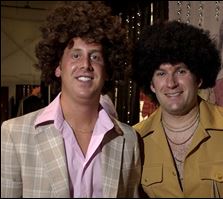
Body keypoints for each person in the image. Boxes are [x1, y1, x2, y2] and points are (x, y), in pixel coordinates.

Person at [1, 2, 141, 198]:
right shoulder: (13, 134)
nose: (85, 64)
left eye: (95, 57)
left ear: (107, 70)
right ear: (57, 67)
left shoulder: (128, 139)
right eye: (76, 55)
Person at [131, 20, 223, 197]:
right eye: (161, 73)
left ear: (198, 78)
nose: (171, 83)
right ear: (151, 84)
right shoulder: (135, 139)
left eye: (181, 71)